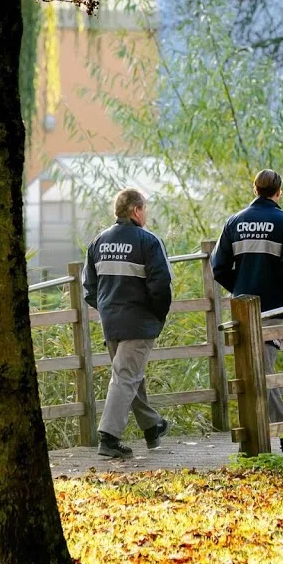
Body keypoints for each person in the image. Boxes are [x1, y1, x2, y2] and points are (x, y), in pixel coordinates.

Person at [211, 169, 283, 452]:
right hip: (273, 307)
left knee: (254, 370)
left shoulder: (234, 222)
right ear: (278, 191)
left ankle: (256, 439)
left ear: (255, 189)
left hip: (243, 308)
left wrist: (240, 287)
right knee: (262, 370)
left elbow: (218, 267)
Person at [83, 188, 172, 458]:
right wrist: (157, 315)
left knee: (130, 376)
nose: (145, 214)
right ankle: (108, 439)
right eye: (144, 209)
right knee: (125, 377)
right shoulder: (148, 241)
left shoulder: (99, 241)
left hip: (111, 322)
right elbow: (161, 285)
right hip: (139, 322)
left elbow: (89, 288)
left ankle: (152, 426)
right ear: (136, 210)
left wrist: (108, 309)